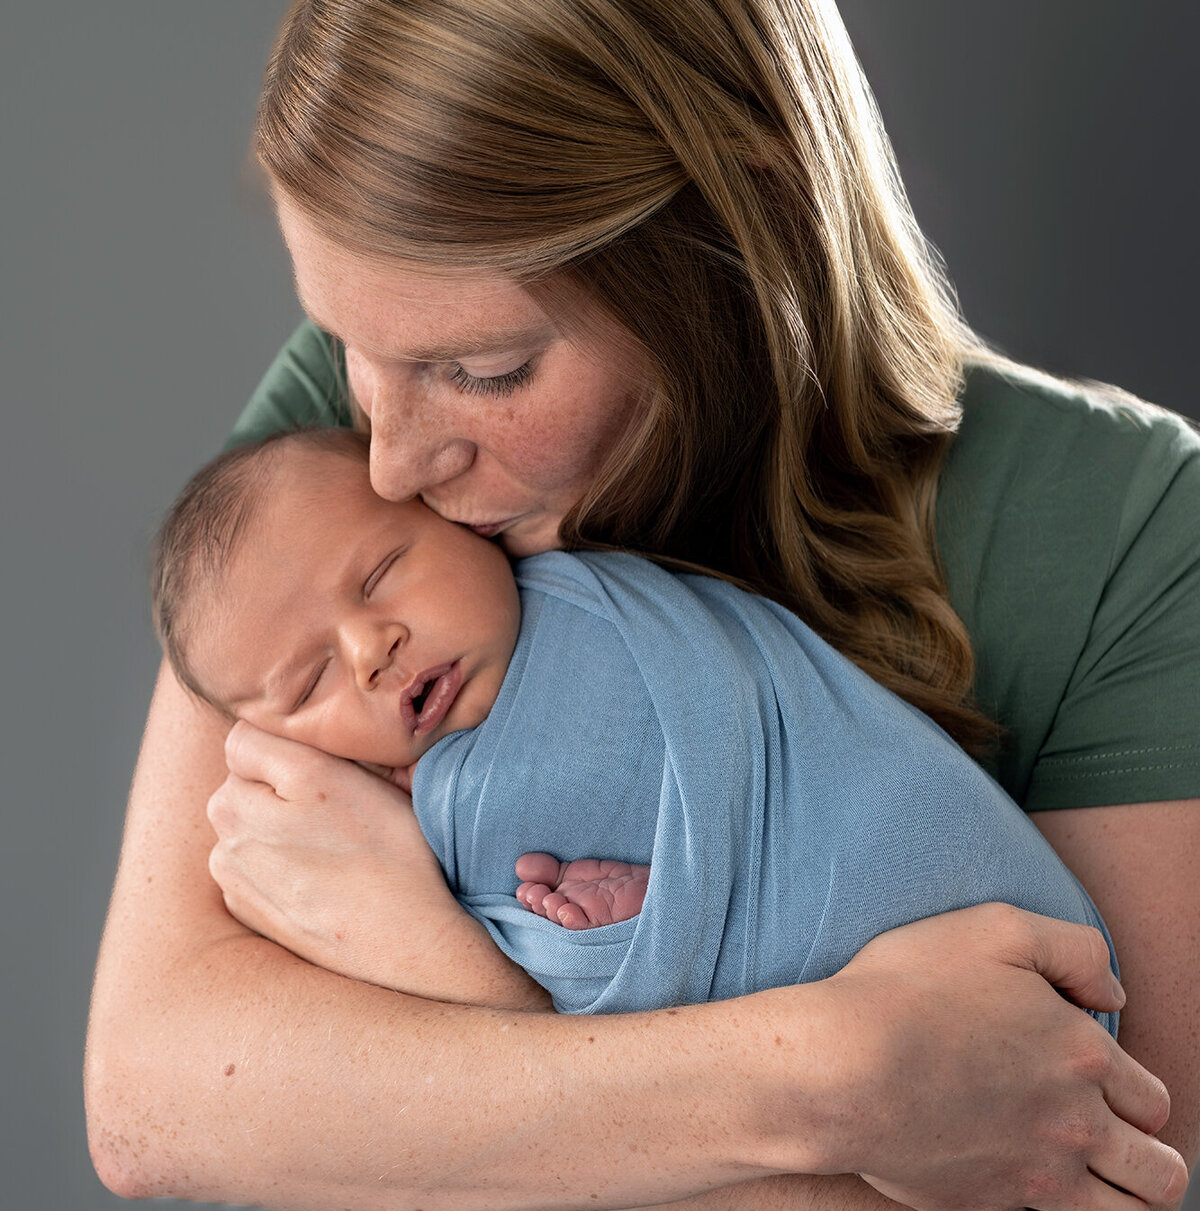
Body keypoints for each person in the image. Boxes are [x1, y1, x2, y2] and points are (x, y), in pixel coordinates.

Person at [84, 0, 1199, 1211]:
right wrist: (829, 1069)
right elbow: (164, 1086)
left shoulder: (1125, 531)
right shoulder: (349, 455)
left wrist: (434, 981)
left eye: (484, 366)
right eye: (348, 344)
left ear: (735, 220)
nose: (392, 456)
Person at [149, 425, 1122, 1021]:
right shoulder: (382, 827)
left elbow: (767, 751)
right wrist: (622, 931)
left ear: (460, 520)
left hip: (933, 881)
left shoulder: (595, 610)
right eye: (313, 676)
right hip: (823, 1038)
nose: (372, 649)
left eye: (380, 575)